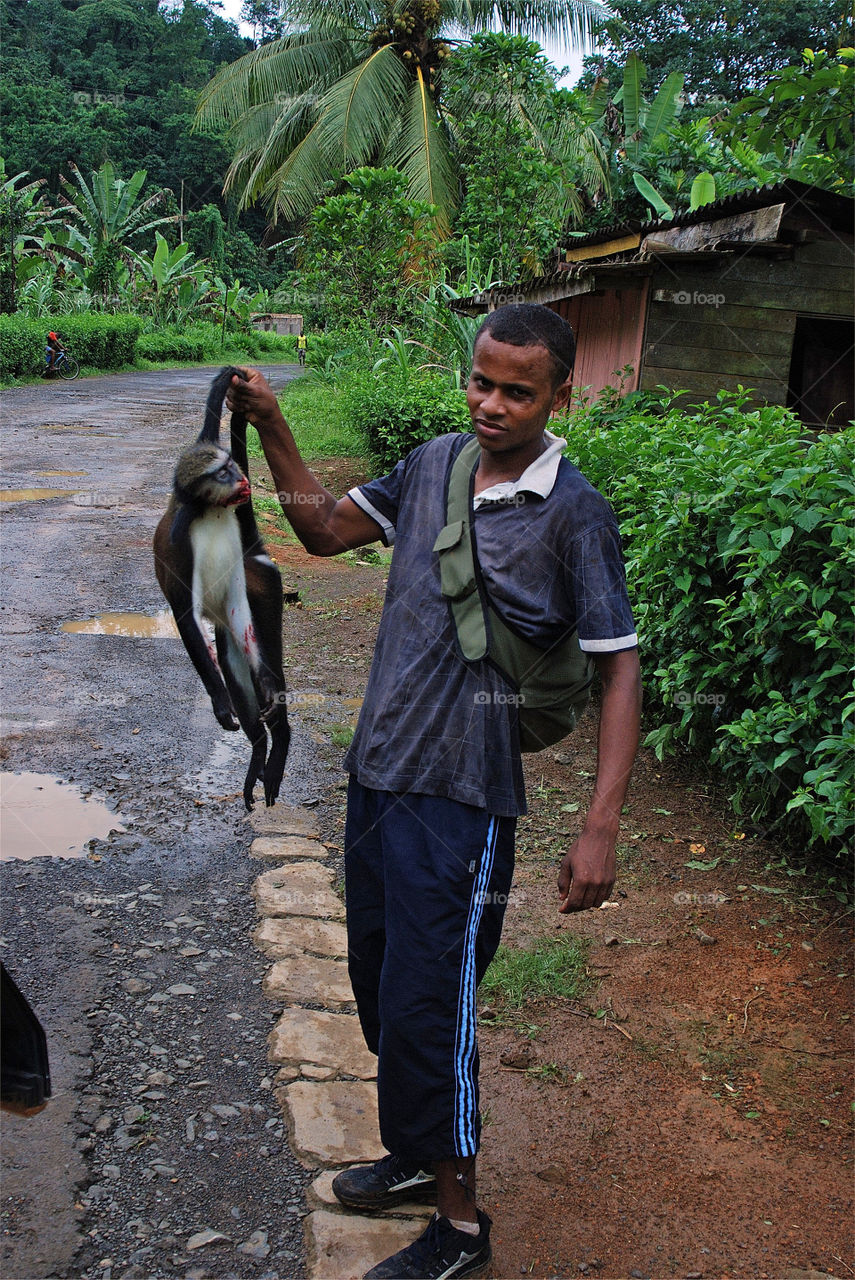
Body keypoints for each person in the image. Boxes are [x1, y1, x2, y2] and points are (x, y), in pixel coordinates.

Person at [227, 304, 642, 1280]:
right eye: (480, 381)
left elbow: (621, 669)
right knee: (378, 985)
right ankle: (416, 1157)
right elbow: (325, 532)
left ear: (559, 395)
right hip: (379, 775)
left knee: (432, 1003)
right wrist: (276, 428)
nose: (491, 404)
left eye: (516, 390)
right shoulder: (433, 465)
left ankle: (460, 1225)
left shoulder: (576, 513)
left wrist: (602, 823)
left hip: (463, 797)